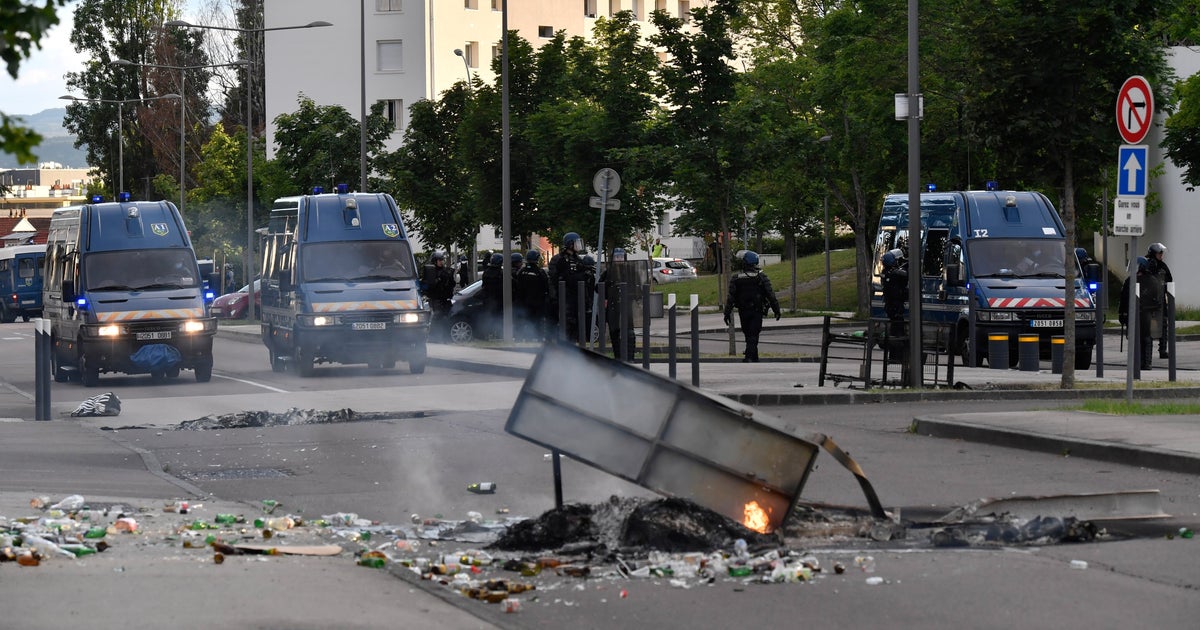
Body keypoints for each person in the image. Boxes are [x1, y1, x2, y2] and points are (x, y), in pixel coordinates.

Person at [723, 251, 780, 362]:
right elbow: (771, 295)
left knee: (748, 333)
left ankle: (752, 356)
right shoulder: (762, 277)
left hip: (743, 311)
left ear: (744, 263)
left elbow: (731, 298)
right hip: (757, 310)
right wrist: (776, 309)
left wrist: (727, 313)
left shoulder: (736, 278)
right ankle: (751, 356)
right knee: (754, 333)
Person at [1118, 256, 1163, 371]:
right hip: (1139, 314)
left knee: (1144, 338)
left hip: (1143, 314)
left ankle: (1143, 362)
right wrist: (1122, 313)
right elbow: (1124, 299)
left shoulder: (1146, 281)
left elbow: (1157, 300)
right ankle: (1141, 362)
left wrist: (1122, 314)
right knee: (1139, 339)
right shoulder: (1133, 281)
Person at [548, 232, 589, 342]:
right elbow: (553, 279)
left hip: (575, 298)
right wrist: (555, 298)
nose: (579, 245)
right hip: (563, 298)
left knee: (576, 325)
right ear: (570, 244)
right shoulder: (558, 259)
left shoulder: (579, 260)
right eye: (577, 243)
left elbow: (582, 280)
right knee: (566, 324)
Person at [600, 248, 637, 361]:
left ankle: (630, 358)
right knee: (614, 332)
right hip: (613, 306)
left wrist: (633, 294)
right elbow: (599, 287)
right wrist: (608, 287)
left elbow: (638, 286)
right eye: (617, 257)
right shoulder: (608, 272)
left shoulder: (630, 270)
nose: (619, 260)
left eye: (621, 257)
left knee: (629, 332)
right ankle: (618, 357)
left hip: (627, 305)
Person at [514, 249, 549, 341]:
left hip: (524, 303)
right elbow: (546, 286)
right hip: (537, 303)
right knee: (537, 322)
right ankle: (537, 338)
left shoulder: (521, 272)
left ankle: (523, 338)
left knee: (525, 322)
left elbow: (518, 287)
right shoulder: (540, 272)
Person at [422, 251, 455, 341]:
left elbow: (452, 285)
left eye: (442, 260)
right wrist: (438, 280)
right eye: (439, 260)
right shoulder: (431, 272)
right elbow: (426, 285)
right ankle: (433, 337)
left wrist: (449, 277)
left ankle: (446, 338)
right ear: (434, 261)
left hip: (445, 298)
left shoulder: (446, 271)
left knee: (446, 318)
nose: (441, 262)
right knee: (437, 317)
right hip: (435, 299)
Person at [1147, 242, 1173, 358]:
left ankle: (1163, 350)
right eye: (1159, 253)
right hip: (1148, 300)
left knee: (1163, 324)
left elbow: (1169, 280)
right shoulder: (1147, 265)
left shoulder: (1163, 266)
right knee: (1147, 326)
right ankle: (1147, 351)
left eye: (1162, 253)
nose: (1161, 255)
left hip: (1161, 300)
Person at [881, 248, 910, 340]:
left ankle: (894, 342)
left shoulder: (885, 273)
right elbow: (905, 276)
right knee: (898, 326)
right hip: (896, 305)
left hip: (890, 304)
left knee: (894, 323)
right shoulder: (896, 273)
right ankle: (897, 342)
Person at [481, 252, 505, 337]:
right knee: (498, 318)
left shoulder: (486, 272)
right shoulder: (501, 273)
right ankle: (498, 334)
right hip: (498, 300)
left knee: (488, 318)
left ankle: (488, 334)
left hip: (488, 300)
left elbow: (483, 286)